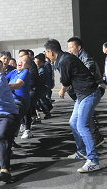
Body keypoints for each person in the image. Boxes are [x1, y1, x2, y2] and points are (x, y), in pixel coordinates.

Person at [43, 39, 102, 173]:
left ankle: (93, 161)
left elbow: (65, 81)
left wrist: (62, 90)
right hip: (82, 95)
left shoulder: (64, 60)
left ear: (50, 52)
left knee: (82, 126)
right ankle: (82, 151)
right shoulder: (63, 59)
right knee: (73, 122)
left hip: (89, 93)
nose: (46, 55)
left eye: (46, 52)